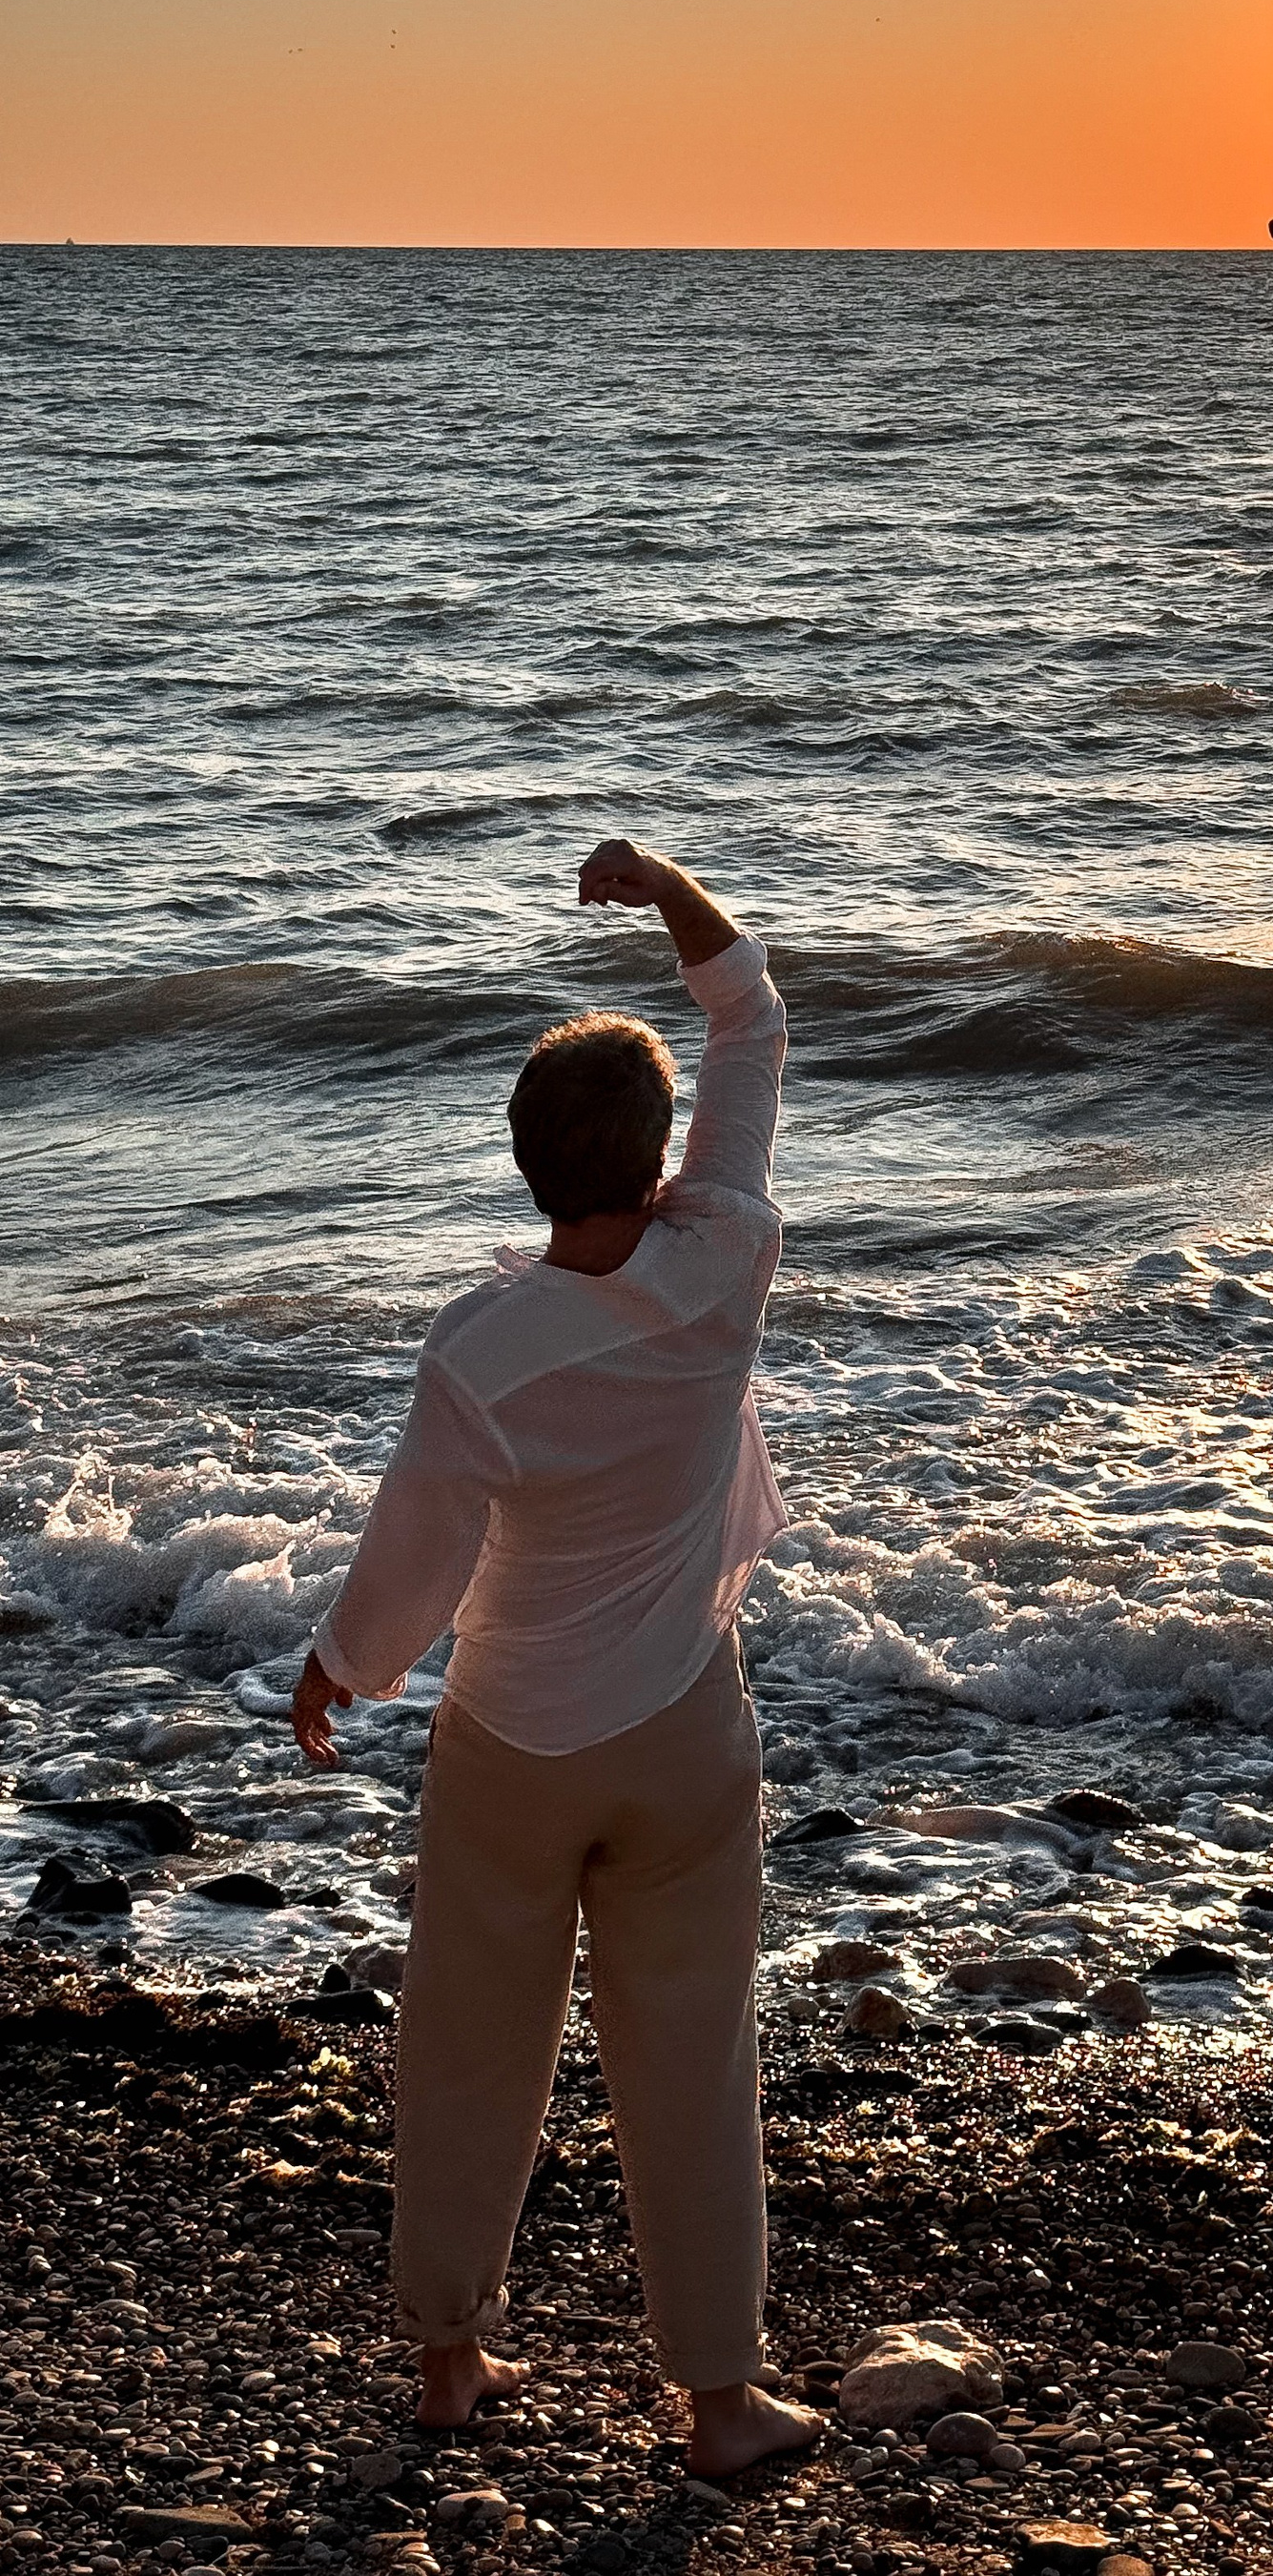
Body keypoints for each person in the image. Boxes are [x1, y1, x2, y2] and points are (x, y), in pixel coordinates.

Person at [291, 842, 815, 2478]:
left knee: (466, 2039)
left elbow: (415, 1559)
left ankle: (451, 2359)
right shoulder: (720, 1256)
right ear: (656, 1160)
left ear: (524, 1167)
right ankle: (719, 2398)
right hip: (680, 1730)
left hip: (511, 1736)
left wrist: (337, 1669)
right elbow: (756, 1022)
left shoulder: (482, 1343)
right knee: (690, 2048)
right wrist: (665, 885)